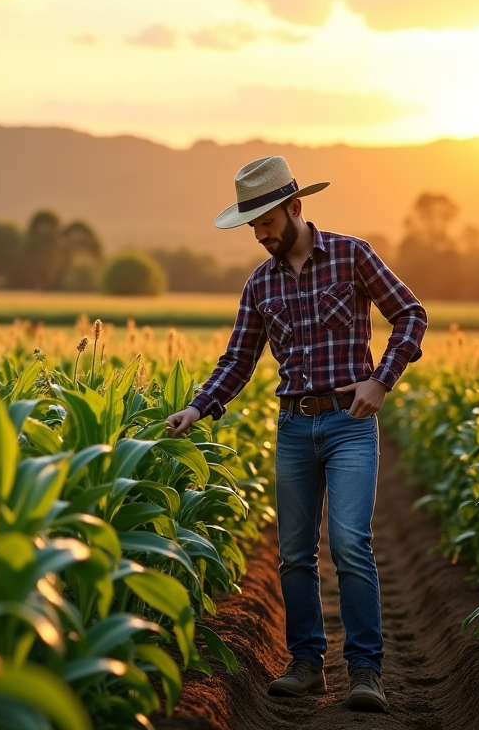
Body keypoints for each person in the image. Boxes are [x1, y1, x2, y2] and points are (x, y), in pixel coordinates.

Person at [164, 155, 427, 712]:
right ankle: (307, 664)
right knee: (293, 555)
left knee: (351, 544)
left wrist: (381, 380)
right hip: (292, 426)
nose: (258, 235)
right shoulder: (259, 284)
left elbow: (411, 314)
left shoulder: (353, 255)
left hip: (349, 424)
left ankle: (365, 671)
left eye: (265, 223)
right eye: (252, 226)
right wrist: (197, 408)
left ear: (294, 208)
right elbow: (238, 359)